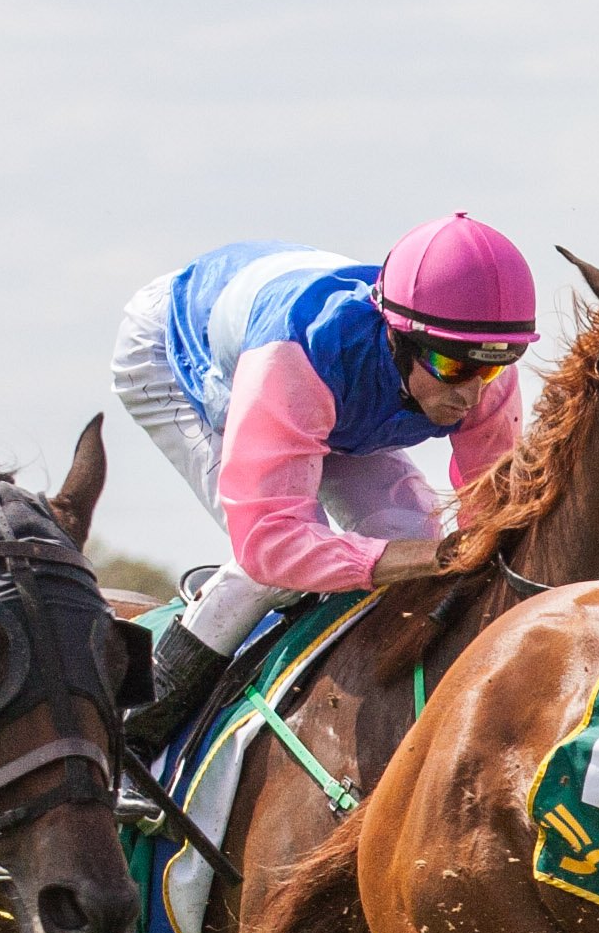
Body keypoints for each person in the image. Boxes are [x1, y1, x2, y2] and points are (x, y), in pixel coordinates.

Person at [107, 219, 541, 760]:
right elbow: (273, 545)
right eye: (453, 367)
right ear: (397, 338)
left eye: (492, 370)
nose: (474, 395)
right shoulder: (301, 352)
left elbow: (496, 517)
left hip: (326, 390)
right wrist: (436, 557)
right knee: (273, 575)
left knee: (410, 532)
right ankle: (130, 747)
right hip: (177, 353)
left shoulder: (474, 361)